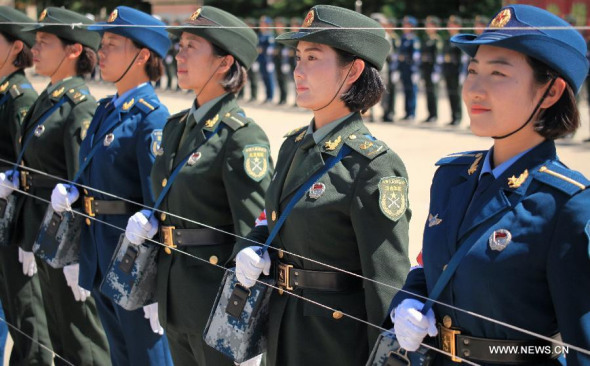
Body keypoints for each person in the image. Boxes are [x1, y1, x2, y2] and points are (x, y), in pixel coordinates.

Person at [388, 5, 590, 365]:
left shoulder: (566, 204)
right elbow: (433, 267)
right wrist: (408, 300)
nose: (474, 90)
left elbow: (581, 347)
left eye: (498, 73)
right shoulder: (451, 177)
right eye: (472, 70)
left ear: (551, 92)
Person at [234, 5, 411, 366]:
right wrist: (253, 246)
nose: (297, 69)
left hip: (334, 344)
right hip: (282, 330)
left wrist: (390, 358)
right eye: (298, 57)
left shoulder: (373, 165)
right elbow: (276, 221)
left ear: (353, 70)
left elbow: (385, 283)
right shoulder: (294, 145)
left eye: (312, 57)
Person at [124, 6, 273, 365]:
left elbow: (253, 232)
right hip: (175, 296)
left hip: (216, 305)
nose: (180, 54)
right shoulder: (177, 127)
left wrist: (248, 319)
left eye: (192, 46)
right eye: (181, 45)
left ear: (223, 63)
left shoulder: (240, 137)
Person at [50, 6, 173, 366]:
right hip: (102, 254)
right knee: (120, 355)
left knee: (147, 358)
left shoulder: (151, 118)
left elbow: (157, 207)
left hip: (133, 263)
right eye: (101, 43)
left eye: (112, 44)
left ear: (142, 55)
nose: (100, 52)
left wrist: (154, 284)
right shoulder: (107, 109)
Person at [0, 7, 54, 365]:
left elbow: (33, 171)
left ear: (15, 47)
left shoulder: (21, 100)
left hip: (19, 228)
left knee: (27, 321)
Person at [442, 15, 464, 126]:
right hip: (448, 70)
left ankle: (458, 117)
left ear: (458, 26)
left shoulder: (460, 39)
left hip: (456, 70)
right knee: (450, 94)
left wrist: (462, 72)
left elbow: (462, 58)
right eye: (449, 24)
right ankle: (453, 116)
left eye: (453, 24)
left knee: (456, 94)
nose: (450, 26)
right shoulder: (447, 39)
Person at [398, 15, 420, 121]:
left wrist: (415, 70)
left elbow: (416, 57)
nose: (404, 27)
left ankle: (412, 112)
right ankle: (407, 112)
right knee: (406, 90)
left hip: (411, 68)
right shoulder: (402, 38)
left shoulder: (414, 39)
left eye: (407, 25)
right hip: (404, 68)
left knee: (412, 91)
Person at [421, 16, 443, 123]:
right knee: (428, 92)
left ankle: (434, 114)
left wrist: (436, 71)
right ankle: (430, 114)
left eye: (430, 25)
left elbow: (438, 57)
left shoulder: (436, 40)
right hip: (426, 69)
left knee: (433, 93)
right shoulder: (426, 39)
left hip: (433, 69)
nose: (427, 27)